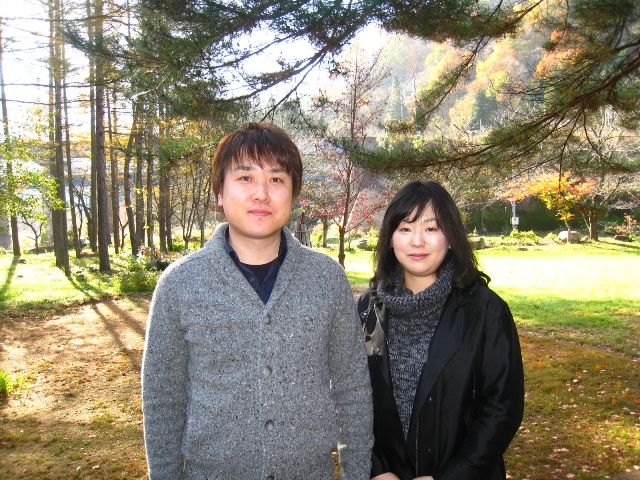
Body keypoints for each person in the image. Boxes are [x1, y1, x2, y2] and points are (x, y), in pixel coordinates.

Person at [142, 122, 373, 479]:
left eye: (276, 179)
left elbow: (352, 386)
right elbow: (163, 399)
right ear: (220, 192)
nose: (261, 193)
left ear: (293, 193)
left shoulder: (327, 279)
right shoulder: (179, 284)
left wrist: (357, 473)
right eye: (245, 177)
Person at [357, 181, 524, 480]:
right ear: (390, 239)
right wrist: (376, 469)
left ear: (451, 238)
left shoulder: (486, 310)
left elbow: (502, 408)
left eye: (431, 228)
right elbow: (354, 396)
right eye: (405, 228)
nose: (417, 241)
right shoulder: (369, 306)